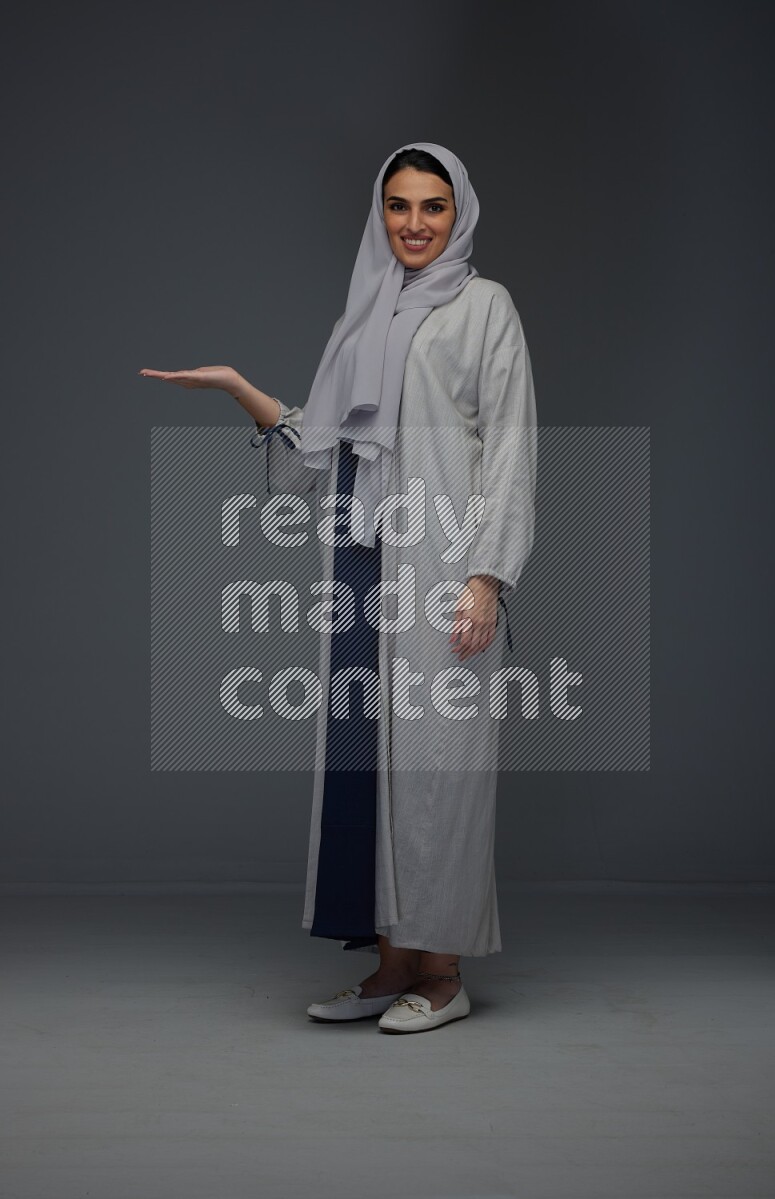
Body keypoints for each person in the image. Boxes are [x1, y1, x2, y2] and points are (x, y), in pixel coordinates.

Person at [140, 142, 537, 1033]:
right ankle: (390, 963)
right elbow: (315, 460)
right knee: (369, 765)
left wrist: (486, 574)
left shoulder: (485, 310)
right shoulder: (362, 315)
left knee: (440, 769)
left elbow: (511, 445)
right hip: (361, 565)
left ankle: (442, 974)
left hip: (440, 566)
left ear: (460, 212)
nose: (415, 224)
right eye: (398, 206)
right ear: (380, 212)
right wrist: (243, 389)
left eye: (433, 206)